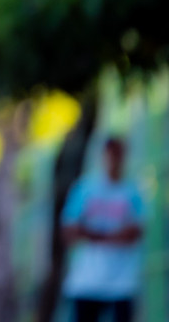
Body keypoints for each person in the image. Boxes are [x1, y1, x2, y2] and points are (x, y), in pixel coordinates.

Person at [60, 135, 145, 322]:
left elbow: (136, 232)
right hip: (86, 281)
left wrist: (92, 235)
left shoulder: (132, 191)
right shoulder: (85, 189)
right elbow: (70, 229)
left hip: (122, 282)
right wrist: (111, 236)